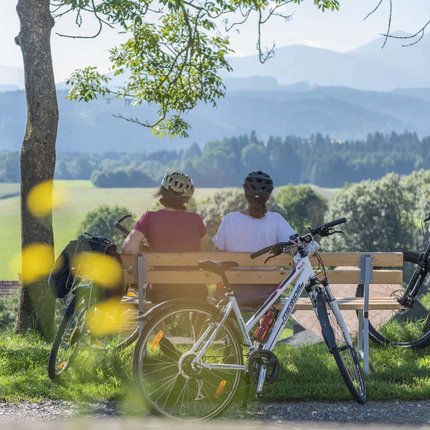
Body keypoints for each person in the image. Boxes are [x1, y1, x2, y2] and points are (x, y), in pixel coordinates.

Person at [212, 170, 295, 308]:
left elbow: (216, 255)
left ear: (245, 194)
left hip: (233, 293)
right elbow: (295, 246)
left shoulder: (230, 219)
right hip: (267, 296)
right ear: (268, 196)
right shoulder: (276, 220)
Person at [122, 171, 209, 302]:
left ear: (162, 192)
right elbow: (204, 254)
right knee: (199, 292)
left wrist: (145, 249)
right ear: (187, 198)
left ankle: (158, 323)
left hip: (160, 290)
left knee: (152, 294)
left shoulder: (149, 218)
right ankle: (195, 323)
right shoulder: (196, 220)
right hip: (193, 289)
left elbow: (128, 249)